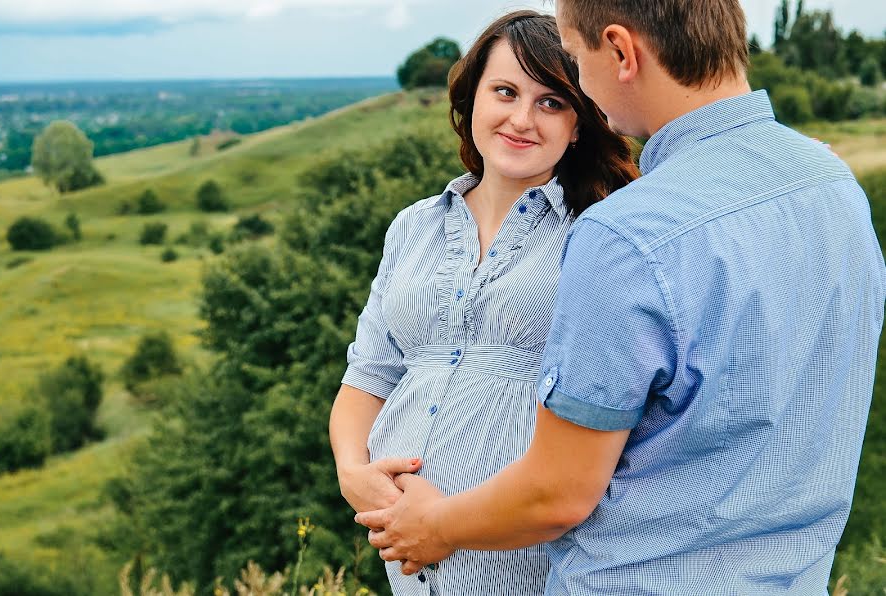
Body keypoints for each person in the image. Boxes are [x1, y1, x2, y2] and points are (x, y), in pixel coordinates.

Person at [357, 0, 886, 593]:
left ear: (620, 51)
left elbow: (560, 492)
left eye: (577, 64)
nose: (582, 84)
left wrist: (435, 526)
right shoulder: (830, 183)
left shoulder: (625, 236)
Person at [329, 10, 638, 595]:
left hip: (531, 565)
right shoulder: (414, 227)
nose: (521, 119)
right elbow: (367, 374)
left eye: (551, 102)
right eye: (505, 92)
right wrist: (353, 473)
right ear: (472, 100)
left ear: (579, 125)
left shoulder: (598, 236)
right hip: (412, 565)